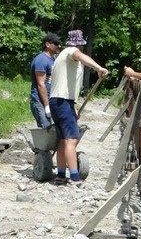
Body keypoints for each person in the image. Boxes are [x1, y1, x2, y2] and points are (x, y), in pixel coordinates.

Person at [49, 29, 108, 187]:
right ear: (78, 44)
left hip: (58, 101)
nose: (81, 48)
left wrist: (72, 106)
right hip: (62, 101)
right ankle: (75, 178)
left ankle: (61, 175)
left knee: (63, 140)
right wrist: (98, 68)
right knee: (71, 140)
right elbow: (79, 55)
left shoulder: (62, 57)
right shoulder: (71, 51)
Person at [29, 32, 62, 128]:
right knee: (46, 129)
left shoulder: (53, 60)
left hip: (50, 99)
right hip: (39, 101)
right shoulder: (41, 60)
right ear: (47, 44)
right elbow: (41, 84)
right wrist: (46, 106)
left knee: (54, 129)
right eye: (56, 43)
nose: (59, 46)